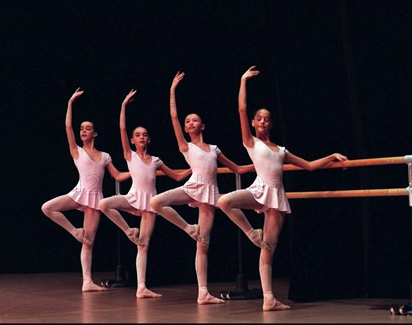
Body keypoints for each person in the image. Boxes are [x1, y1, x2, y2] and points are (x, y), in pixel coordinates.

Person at [218, 65, 348, 311]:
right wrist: (243, 81)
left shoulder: (282, 150)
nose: (263, 121)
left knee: (269, 249)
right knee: (224, 201)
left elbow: (309, 166)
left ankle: (269, 299)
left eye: (267, 119)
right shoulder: (251, 142)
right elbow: (242, 109)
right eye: (260, 118)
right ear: (255, 124)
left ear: (271, 124)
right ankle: (251, 233)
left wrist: (332, 156)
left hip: (276, 197)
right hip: (259, 190)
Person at [150, 71, 255, 305]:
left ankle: (203, 292)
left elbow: (237, 169)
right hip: (192, 187)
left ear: (202, 125)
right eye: (188, 122)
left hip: (209, 195)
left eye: (194, 120)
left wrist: (261, 164)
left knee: (204, 244)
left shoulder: (214, 149)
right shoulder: (185, 146)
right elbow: (173, 118)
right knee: (156, 202)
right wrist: (172, 91)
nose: (189, 123)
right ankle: (189, 228)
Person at [98, 88, 191, 299]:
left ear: (149, 139)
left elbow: (176, 177)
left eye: (144, 135)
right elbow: (122, 129)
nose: (141, 137)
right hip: (132, 198)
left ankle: (142, 287)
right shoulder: (129, 156)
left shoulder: (156, 160)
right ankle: (129, 230)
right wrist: (123, 106)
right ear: (132, 140)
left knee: (144, 245)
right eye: (137, 135)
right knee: (104, 204)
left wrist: (196, 168)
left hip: (150, 204)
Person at [41, 87, 131, 292]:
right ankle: (74, 232)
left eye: (87, 128)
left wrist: (136, 172)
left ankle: (87, 282)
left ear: (95, 133)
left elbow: (117, 176)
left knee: (89, 242)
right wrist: (70, 103)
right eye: (82, 128)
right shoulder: (76, 151)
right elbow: (67, 127)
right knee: (47, 208)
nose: (83, 130)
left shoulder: (105, 155)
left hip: (95, 199)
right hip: (79, 193)